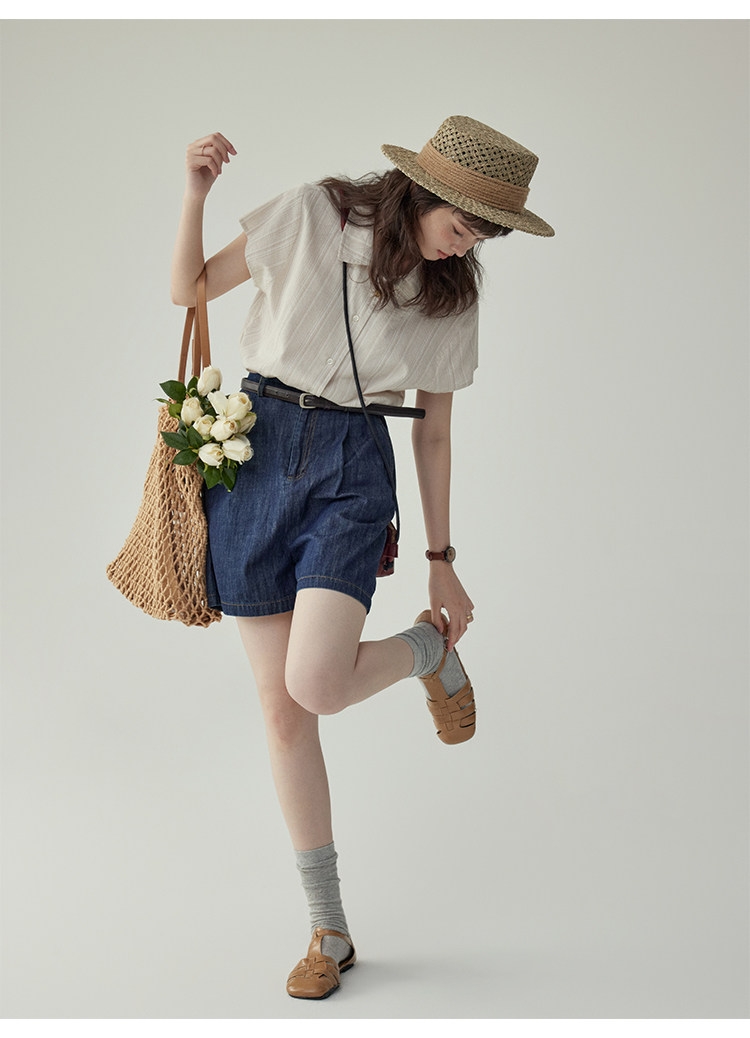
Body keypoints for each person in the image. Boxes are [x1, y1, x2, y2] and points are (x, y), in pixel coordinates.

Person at [170, 115, 554, 999]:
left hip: (351, 468)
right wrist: (195, 195)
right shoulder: (311, 213)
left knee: (318, 683)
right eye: (465, 225)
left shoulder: (451, 294)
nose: (469, 247)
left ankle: (427, 650)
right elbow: (187, 288)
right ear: (425, 191)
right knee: (283, 715)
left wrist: (441, 557)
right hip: (251, 451)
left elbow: (435, 433)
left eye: (486, 235)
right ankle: (330, 928)